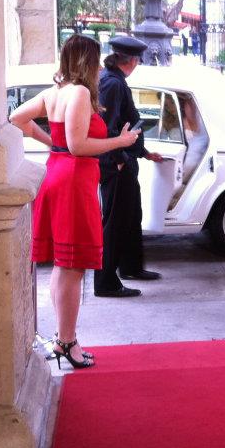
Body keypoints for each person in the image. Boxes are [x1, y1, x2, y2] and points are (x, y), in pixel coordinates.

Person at [9, 35, 141, 369]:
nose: (100, 67)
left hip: (58, 173)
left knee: (64, 265)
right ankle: (67, 342)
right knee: (73, 266)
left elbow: (17, 118)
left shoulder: (54, 91)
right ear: (88, 61)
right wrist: (121, 141)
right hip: (73, 179)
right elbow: (78, 146)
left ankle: (63, 339)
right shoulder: (80, 92)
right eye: (97, 59)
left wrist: (51, 143)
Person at [94, 35, 164, 298]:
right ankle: (106, 282)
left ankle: (131, 267)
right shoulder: (112, 83)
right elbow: (107, 128)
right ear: (133, 60)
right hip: (116, 164)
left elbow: (123, 123)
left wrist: (143, 153)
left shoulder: (113, 79)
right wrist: (121, 159)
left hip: (124, 160)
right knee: (115, 222)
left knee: (131, 216)